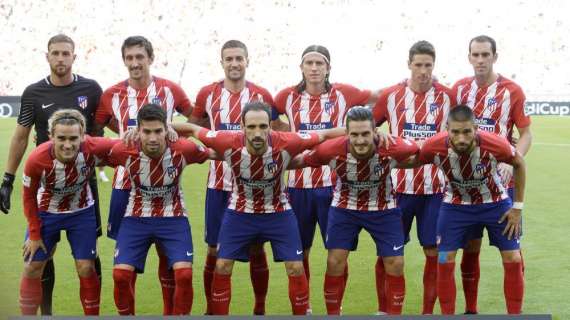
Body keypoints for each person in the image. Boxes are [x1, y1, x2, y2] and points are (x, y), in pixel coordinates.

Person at [171, 101, 344, 315]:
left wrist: (364, 131)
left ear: (270, 127)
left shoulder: (287, 141)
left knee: (296, 267)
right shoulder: (227, 141)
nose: (257, 132)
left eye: (263, 126)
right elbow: (194, 129)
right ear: (242, 127)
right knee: (222, 265)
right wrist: (165, 128)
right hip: (240, 213)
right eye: (251, 127)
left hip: (278, 212)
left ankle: (272, 311)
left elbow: (325, 135)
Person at [0, 34, 103, 315]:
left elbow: (103, 128)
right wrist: (8, 179)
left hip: (84, 184)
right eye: (55, 53)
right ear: (47, 57)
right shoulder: (34, 92)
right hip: (47, 184)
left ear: (74, 57)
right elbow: (21, 136)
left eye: (65, 53)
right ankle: (46, 313)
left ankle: (92, 312)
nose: (60, 58)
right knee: (41, 255)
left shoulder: (91, 88)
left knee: (89, 259)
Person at [271, 45, 378, 310]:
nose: (315, 68)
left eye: (320, 63)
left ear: (328, 67)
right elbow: (271, 121)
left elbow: (378, 97)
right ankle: (303, 307)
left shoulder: (345, 93)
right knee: (300, 251)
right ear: (301, 67)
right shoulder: (286, 96)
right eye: (309, 63)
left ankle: (335, 307)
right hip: (298, 185)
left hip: (335, 186)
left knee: (337, 253)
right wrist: (287, 130)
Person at [94, 35, 193, 315]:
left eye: (140, 57)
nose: (135, 63)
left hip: (162, 183)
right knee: (125, 263)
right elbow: (97, 127)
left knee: (167, 254)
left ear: (150, 58)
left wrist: (175, 129)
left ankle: (168, 311)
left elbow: (197, 118)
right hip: (125, 185)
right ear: (124, 60)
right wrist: (121, 137)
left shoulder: (170, 89)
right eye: (129, 58)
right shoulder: (111, 94)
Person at [288, 106, 418, 315]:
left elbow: (422, 151)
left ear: (375, 132)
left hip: (383, 208)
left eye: (365, 134)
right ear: (346, 133)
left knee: (395, 262)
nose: (360, 140)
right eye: (354, 134)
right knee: (335, 261)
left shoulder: (394, 147)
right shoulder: (330, 150)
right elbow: (301, 160)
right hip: (345, 208)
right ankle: (334, 314)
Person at [189, 40, 274, 315]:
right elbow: (197, 127)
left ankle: (259, 307)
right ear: (222, 62)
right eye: (229, 59)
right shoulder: (207, 94)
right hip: (219, 184)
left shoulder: (260, 95)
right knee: (214, 249)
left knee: (256, 248)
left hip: (254, 187)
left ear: (247, 60)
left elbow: (276, 133)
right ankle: (211, 310)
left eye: (239, 58)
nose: (234, 63)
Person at [416, 105, 526, 314]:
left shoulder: (494, 144)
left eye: (467, 131)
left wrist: (517, 208)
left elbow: (519, 163)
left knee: (513, 257)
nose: (461, 138)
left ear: (475, 128)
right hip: (456, 206)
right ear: (446, 129)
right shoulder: (433, 146)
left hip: (495, 204)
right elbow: (411, 158)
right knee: (444, 258)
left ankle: (515, 315)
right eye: (455, 132)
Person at [451, 35, 532, 314]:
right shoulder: (459, 89)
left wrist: (513, 159)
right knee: (471, 248)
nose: (481, 60)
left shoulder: (512, 91)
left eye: (486, 55)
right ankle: (470, 310)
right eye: (476, 55)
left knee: (510, 251)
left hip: (502, 185)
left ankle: (515, 314)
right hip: (467, 187)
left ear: (495, 56)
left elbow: (526, 134)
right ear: (469, 57)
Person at [372, 40, 453, 314]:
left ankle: (428, 312)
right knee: (389, 253)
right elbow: (366, 127)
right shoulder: (391, 96)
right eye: (418, 65)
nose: (423, 71)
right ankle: (386, 310)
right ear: (409, 64)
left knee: (434, 253)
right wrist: (378, 135)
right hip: (397, 189)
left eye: (428, 65)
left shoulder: (447, 97)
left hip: (436, 189)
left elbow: (466, 130)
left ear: (434, 66)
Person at [109, 104, 211, 315]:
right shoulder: (123, 149)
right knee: (120, 275)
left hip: (173, 217)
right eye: (146, 131)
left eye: (158, 131)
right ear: (138, 131)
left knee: (183, 274)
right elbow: (93, 152)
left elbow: (218, 152)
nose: (153, 138)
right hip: (136, 217)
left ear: (167, 129)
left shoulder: (183, 149)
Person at [19, 110, 117, 315]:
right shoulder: (36, 159)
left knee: (86, 267)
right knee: (32, 267)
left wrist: (170, 131)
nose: (67, 144)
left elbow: (127, 143)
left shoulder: (93, 146)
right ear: (50, 136)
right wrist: (35, 234)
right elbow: (28, 198)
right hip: (46, 213)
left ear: (82, 136)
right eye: (61, 138)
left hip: (80, 213)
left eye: (73, 138)